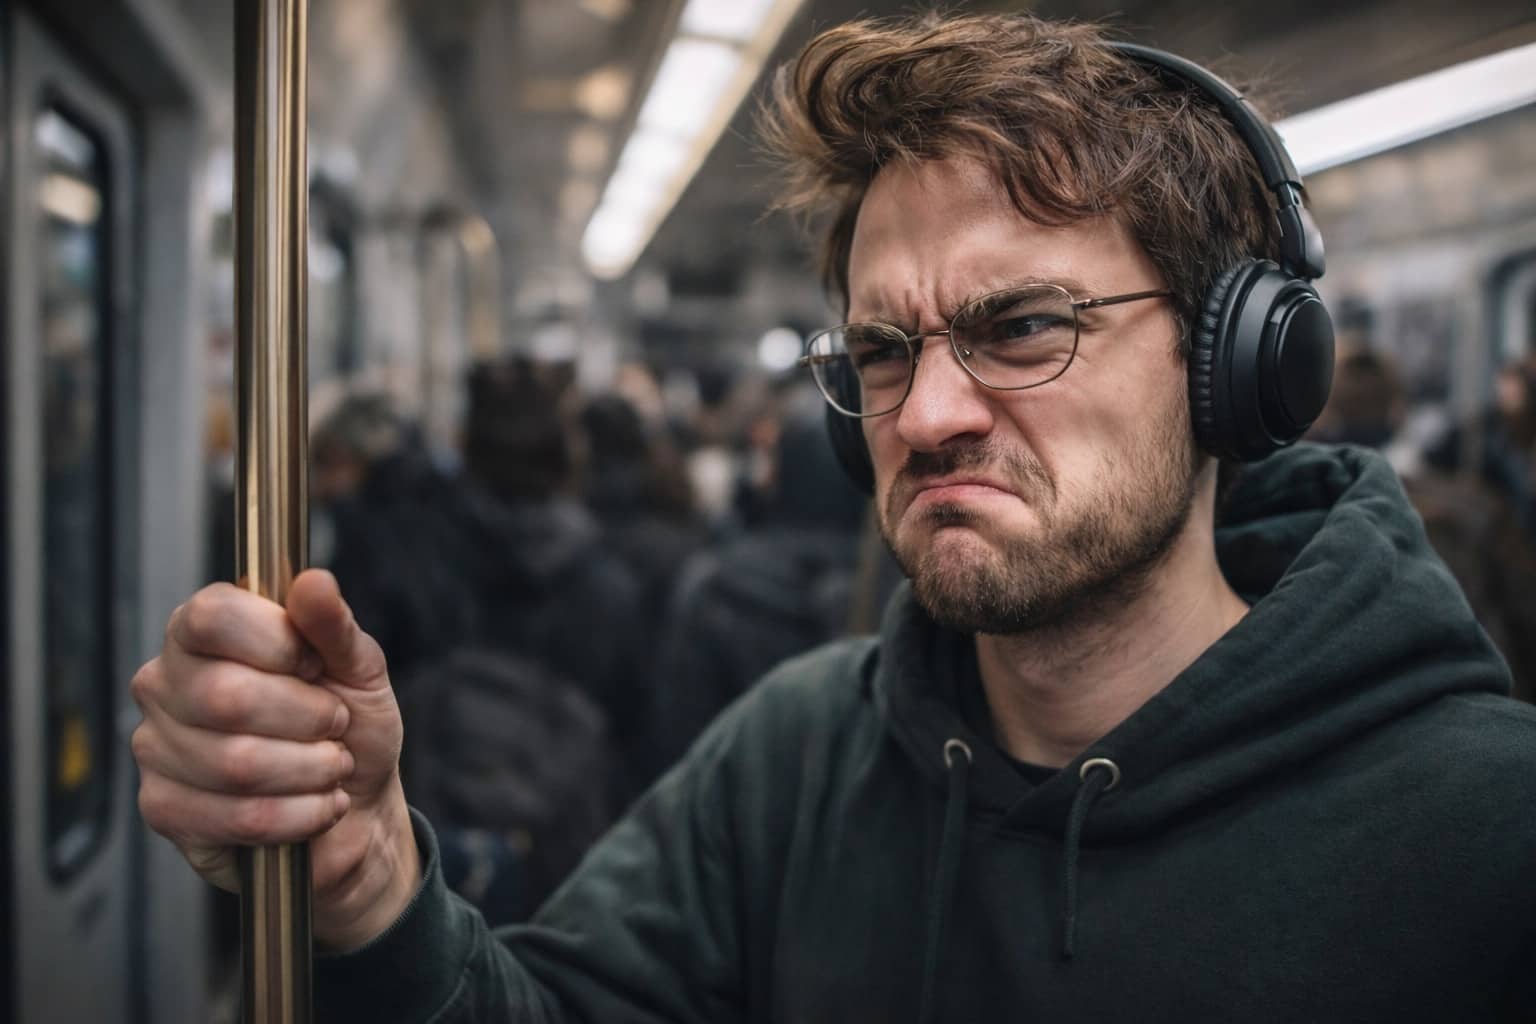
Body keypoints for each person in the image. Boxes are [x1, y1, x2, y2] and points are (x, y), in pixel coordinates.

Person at [129, 13, 1536, 1022]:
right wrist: (377, 888)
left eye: (1023, 326)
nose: (923, 416)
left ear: (1237, 364)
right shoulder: (794, 758)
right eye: (880, 352)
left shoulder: (1485, 837)